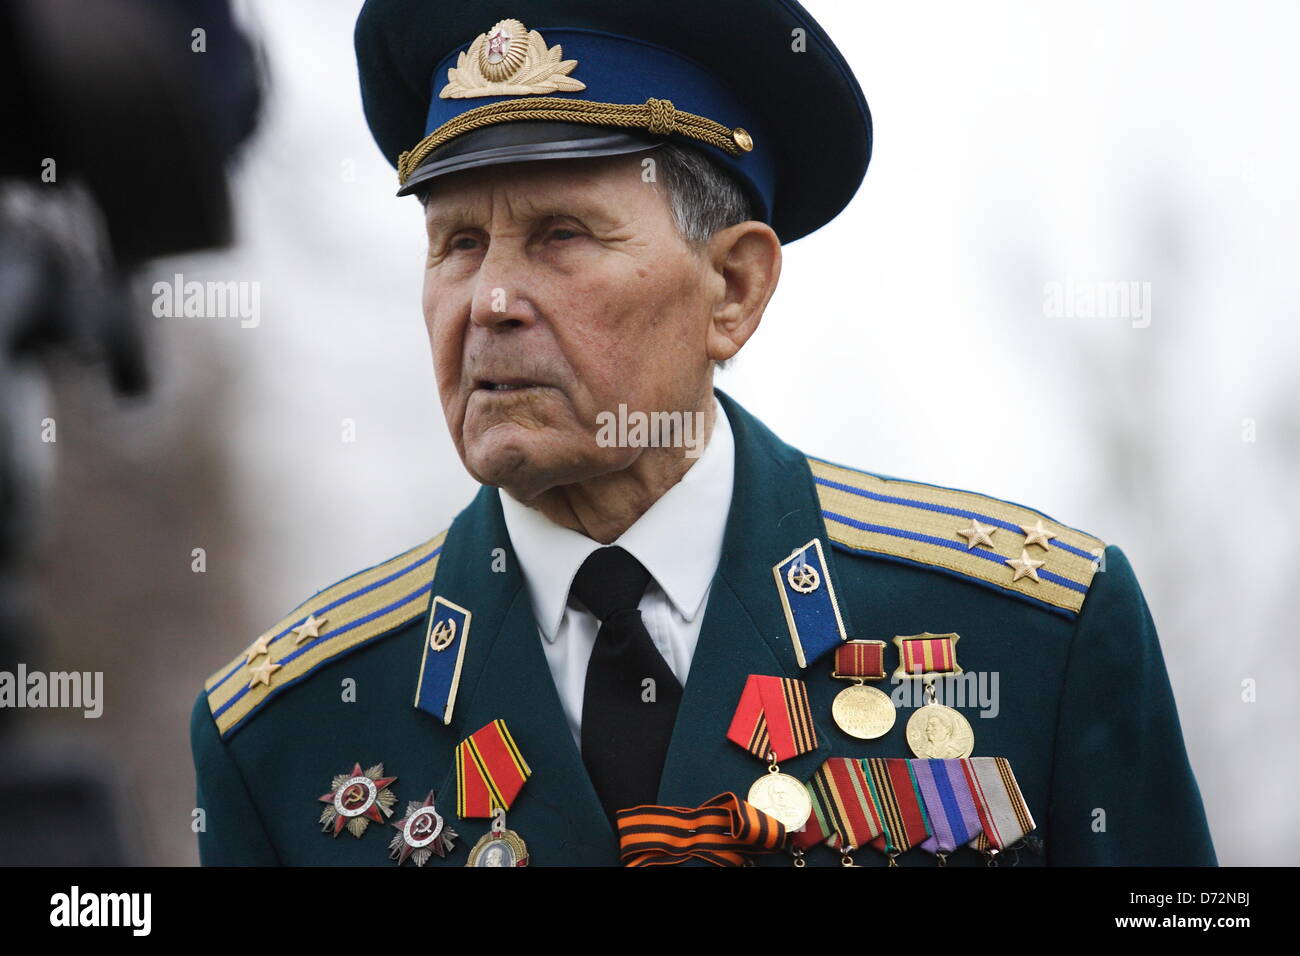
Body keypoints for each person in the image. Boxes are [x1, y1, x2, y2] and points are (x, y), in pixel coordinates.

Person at [190, 0, 1216, 866]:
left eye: (559, 235)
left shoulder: (1038, 635)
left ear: (733, 286)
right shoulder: (285, 730)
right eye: (456, 242)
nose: (490, 299)